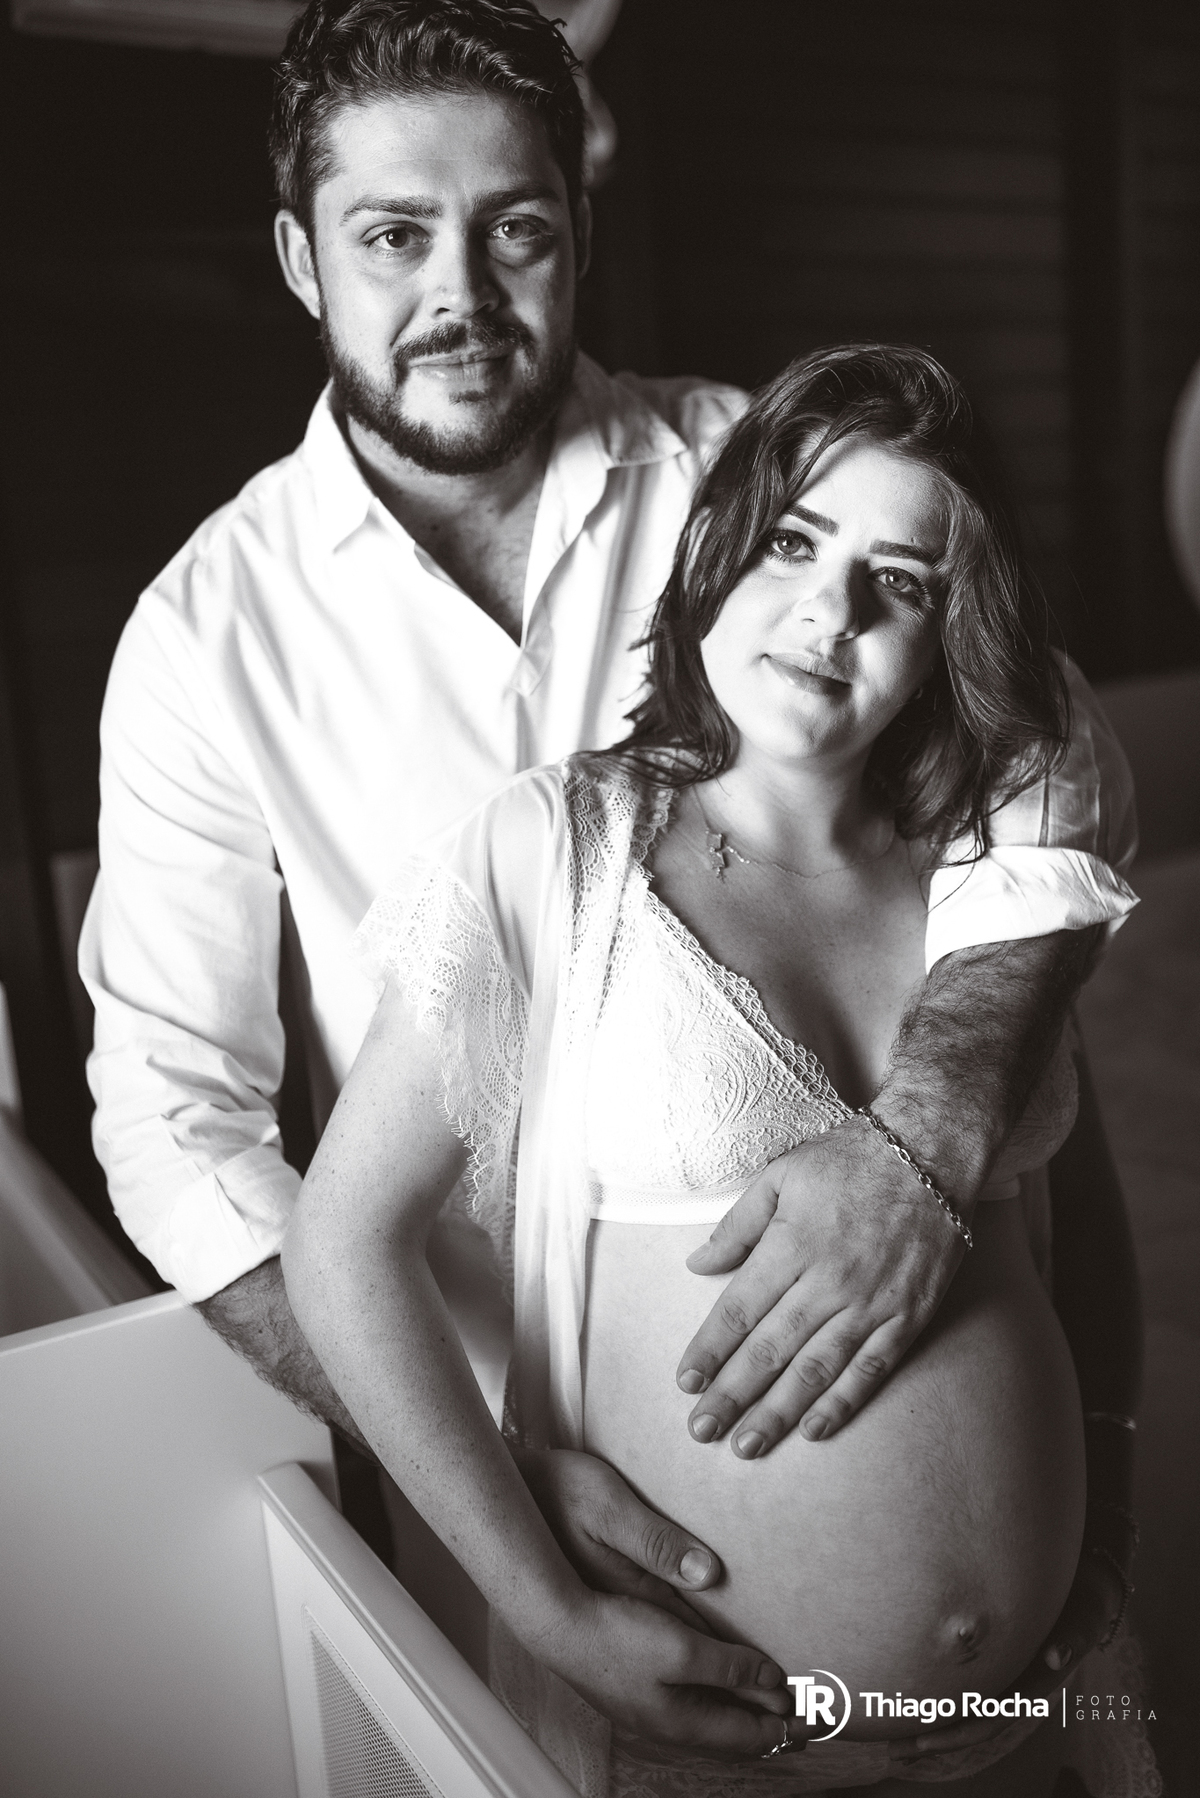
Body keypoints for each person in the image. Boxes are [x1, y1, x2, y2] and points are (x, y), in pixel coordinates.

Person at [79, 0, 1137, 1748]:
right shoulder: (208, 632)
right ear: (299, 258)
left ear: (578, 227)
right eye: (393, 235)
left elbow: (1048, 734)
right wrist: (485, 1466)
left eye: (516, 229)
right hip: (559, 1505)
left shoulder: (753, 475)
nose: (462, 295)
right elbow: (174, 1121)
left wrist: (935, 1123)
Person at [282, 345, 1149, 1798]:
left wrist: (1107, 1511)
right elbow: (343, 1244)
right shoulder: (559, 848)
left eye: (900, 581)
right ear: (715, 552)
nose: (830, 612)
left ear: (952, 628)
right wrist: (549, 1613)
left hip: (1024, 1720)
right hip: (721, 1735)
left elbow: (1089, 1228)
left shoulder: (990, 881)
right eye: (795, 543)